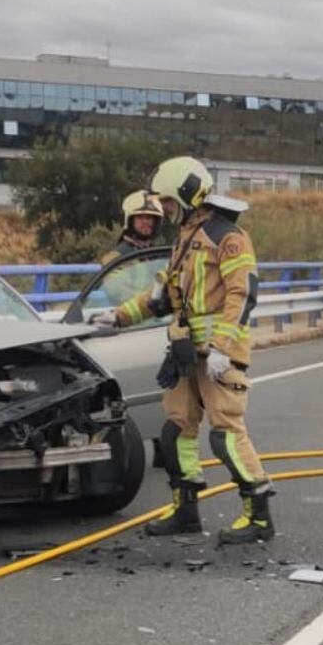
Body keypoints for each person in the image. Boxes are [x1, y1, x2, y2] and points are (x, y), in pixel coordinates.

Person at [93, 156, 275, 545]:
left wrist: (224, 347)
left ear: (188, 195)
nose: (166, 211)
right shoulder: (187, 237)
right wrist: (119, 317)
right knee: (176, 431)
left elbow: (243, 294)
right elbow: (163, 295)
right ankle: (186, 509)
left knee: (226, 434)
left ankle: (258, 514)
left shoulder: (228, 237)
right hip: (185, 354)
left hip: (217, 357)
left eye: (170, 202)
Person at [99, 190, 164, 266]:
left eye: (149, 218)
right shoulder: (116, 257)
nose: (145, 222)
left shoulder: (158, 256)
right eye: (140, 217)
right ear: (130, 221)